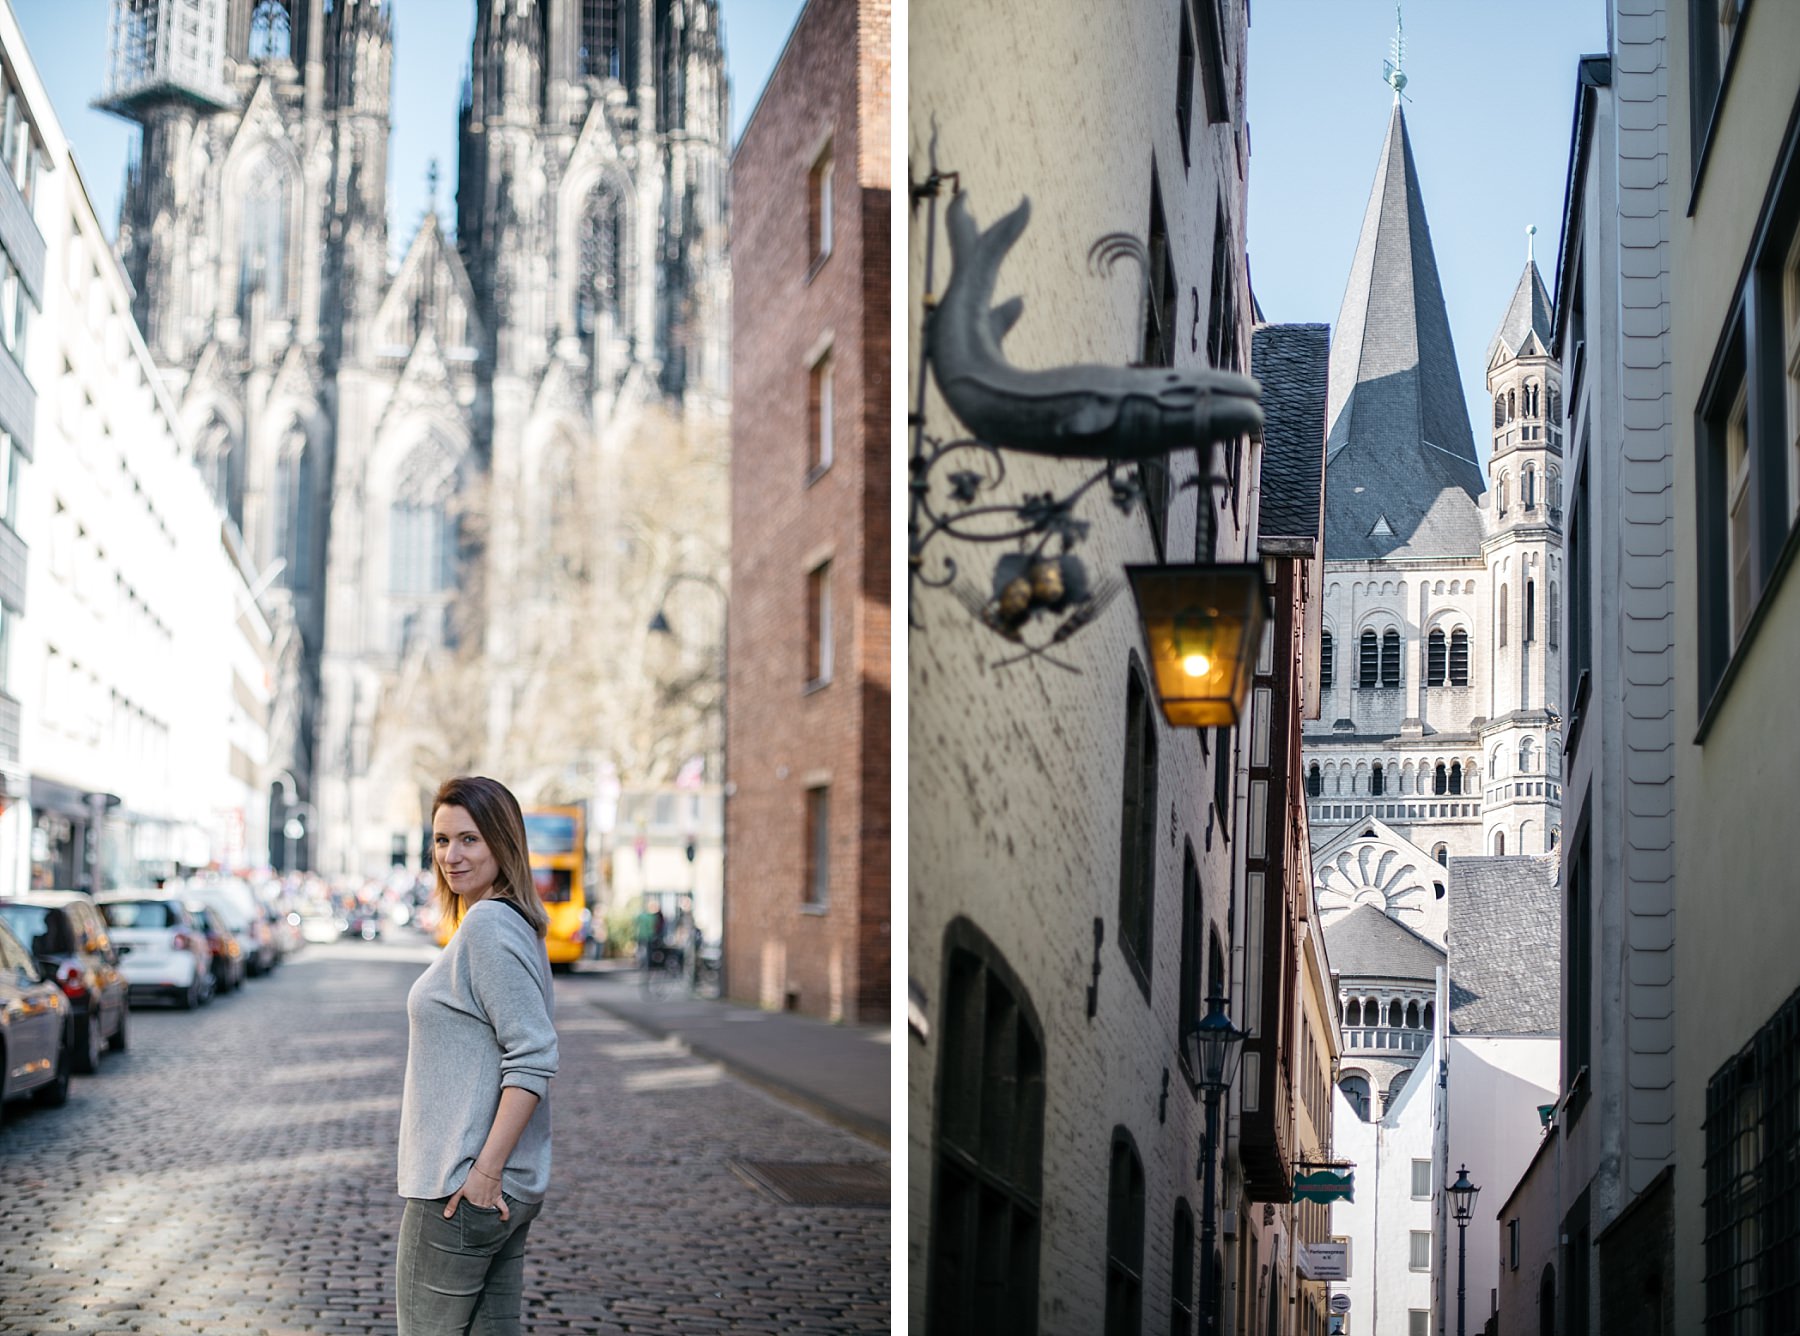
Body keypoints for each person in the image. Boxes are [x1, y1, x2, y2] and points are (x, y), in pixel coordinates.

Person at [396, 776, 558, 1335]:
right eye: (441, 841)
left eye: (469, 839)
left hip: (461, 1188)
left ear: (502, 842)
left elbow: (533, 1055)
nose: (451, 856)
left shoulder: (490, 925)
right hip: (498, 1190)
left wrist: (485, 1174)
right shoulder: (509, 921)